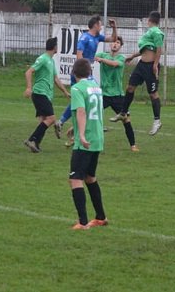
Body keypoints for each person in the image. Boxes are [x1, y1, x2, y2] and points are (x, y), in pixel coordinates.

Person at [55, 15, 117, 137]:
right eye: (100, 24)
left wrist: (115, 27)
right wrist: (81, 74)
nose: (101, 26)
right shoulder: (84, 38)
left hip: (85, 72)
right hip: (80, 73)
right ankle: (84, 125)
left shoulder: (97, 37)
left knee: (79, 99)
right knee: (93, 93)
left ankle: (62, 122)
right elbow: (79, 55)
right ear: (95, 25)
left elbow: (113, 38)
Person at [68, 58, 108, 230]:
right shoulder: (96, 88)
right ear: (90, 72)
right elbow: (93, 111)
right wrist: (75, 127)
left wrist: (81, 134)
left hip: (85, 140)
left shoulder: (77, 88)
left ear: (73, 73)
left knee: (75, 178)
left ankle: (83, 222)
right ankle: (101, 217)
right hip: (97, 137)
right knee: (90, 177)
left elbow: (82, 111)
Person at [110, 11, 164, 136]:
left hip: (150, 66)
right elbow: (145, 49)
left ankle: (157, 121)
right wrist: (132, 56)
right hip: (141, 65)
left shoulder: (156, 32)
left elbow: (159, 49)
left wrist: (155, 65)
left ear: (149, 20)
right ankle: (123, 112)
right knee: (130, 87)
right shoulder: (149, 33)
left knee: (153, 94)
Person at [24, 37, 70, 153]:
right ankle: (31, 140)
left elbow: (55, 78)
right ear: (54, 47)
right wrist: (29, 88)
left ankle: (36, 144)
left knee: (44, 120)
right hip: (40, 93)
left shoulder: (51, 60)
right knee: (51, 118)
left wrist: (65, 91)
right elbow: (29, 72)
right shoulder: (43, 59)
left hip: (46, 95)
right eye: (57, 45)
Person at [95, 37, 138, 152]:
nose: (115, 44)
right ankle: (76, 136)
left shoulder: (121, 58)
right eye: (113, 42)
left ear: (120, 46)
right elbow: (92, 56)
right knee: (91, 115)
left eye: (118, 43)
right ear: (110, 44)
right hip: (103, 94)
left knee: (126, 119)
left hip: (117, 95)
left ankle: (133, 145)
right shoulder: (103, 54)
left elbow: (114, 64)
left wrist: (102, 60)